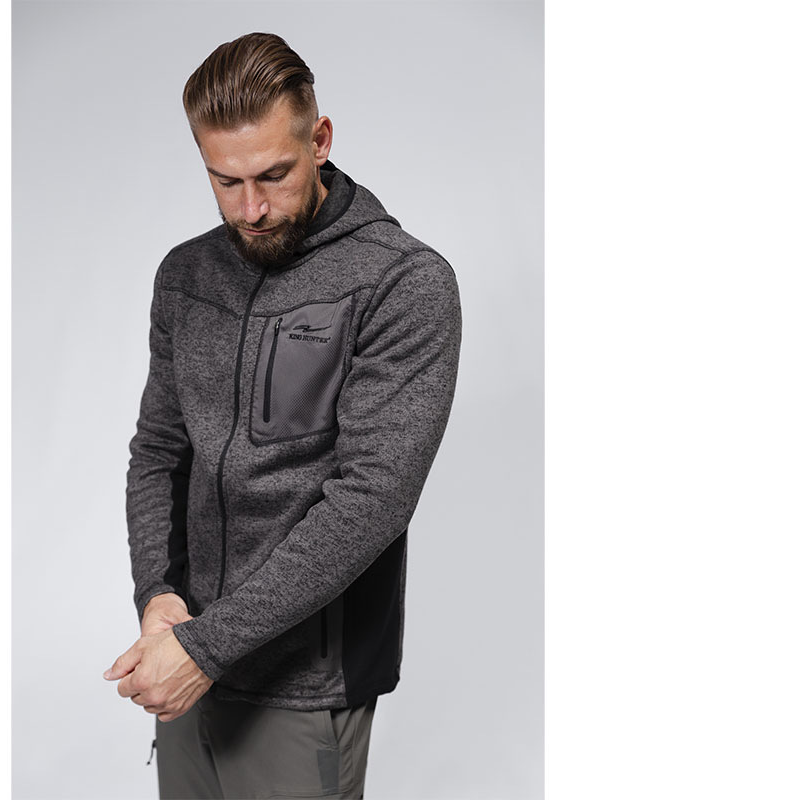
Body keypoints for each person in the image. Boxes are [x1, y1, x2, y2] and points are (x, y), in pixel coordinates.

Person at [104, 31, 462, 799]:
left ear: (320, 140)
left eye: (273, 174)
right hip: (185, 660)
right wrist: (159, 599)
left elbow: (371, 501)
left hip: (306, 684)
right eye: (226, 181)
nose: (252, 208)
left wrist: (208, 646)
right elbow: (160, 451)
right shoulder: (187, 275)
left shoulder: (404, 283)